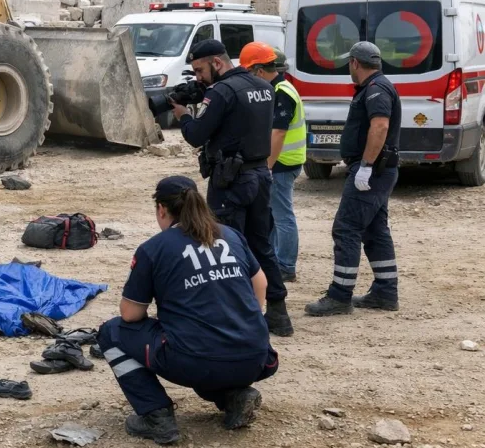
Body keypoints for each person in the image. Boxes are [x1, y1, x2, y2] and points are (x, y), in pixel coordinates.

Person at [98, 176, 279, 445]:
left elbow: (130, 315)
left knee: (111, 332)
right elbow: (260, 284)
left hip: (197, 360)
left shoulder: (154, 248)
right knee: (204, 342)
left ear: (162, 209)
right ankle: (233, 397)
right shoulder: (230, 235)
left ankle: (156, 415)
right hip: (257, 357)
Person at [170, 39, 293, 337]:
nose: (198, 76)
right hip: (260, 175)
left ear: (217, 62)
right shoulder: (264, 86)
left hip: (231, 182)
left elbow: (196, 135)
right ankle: (278, 313)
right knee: (261, 244)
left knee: (226, 246)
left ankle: (235, 315)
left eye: (200, 70)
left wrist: (183, 114)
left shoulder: (222, 92)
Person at [305, 42, 401, 316]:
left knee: (346, 228)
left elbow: (380, 126)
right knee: (375, 230)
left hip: (373, 171)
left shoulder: (376, 89)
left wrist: (366, 166)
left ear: (355, 63)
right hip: (379, 170)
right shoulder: (376, 87)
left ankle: (340, 295)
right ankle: (385, 292)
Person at [240, 43, 306, 282]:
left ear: (260, 70)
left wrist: (267, 166)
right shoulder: (279, 88)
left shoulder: (280, 91)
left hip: (282, 163)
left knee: (281, 216)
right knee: (274, 216)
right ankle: (277, 260)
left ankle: (286, 265)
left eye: (250, 72)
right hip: (284, 161)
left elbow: (278, 132)